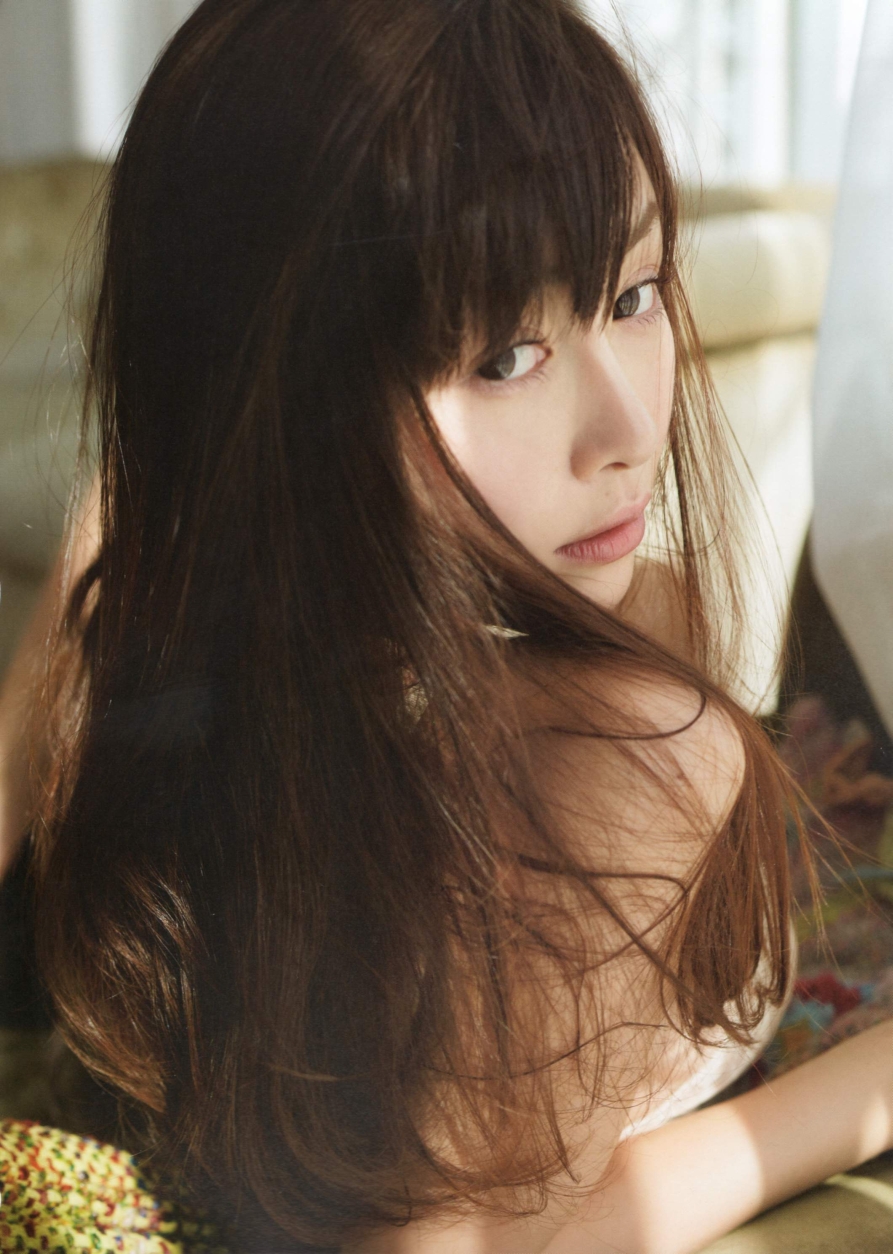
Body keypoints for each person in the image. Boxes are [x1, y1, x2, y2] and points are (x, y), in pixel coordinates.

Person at [3, 1, 893, 1251]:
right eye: (502, 358)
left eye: (633, 293)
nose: (626, 429)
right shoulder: (632, 751)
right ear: (284, 390)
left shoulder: (149, 565)